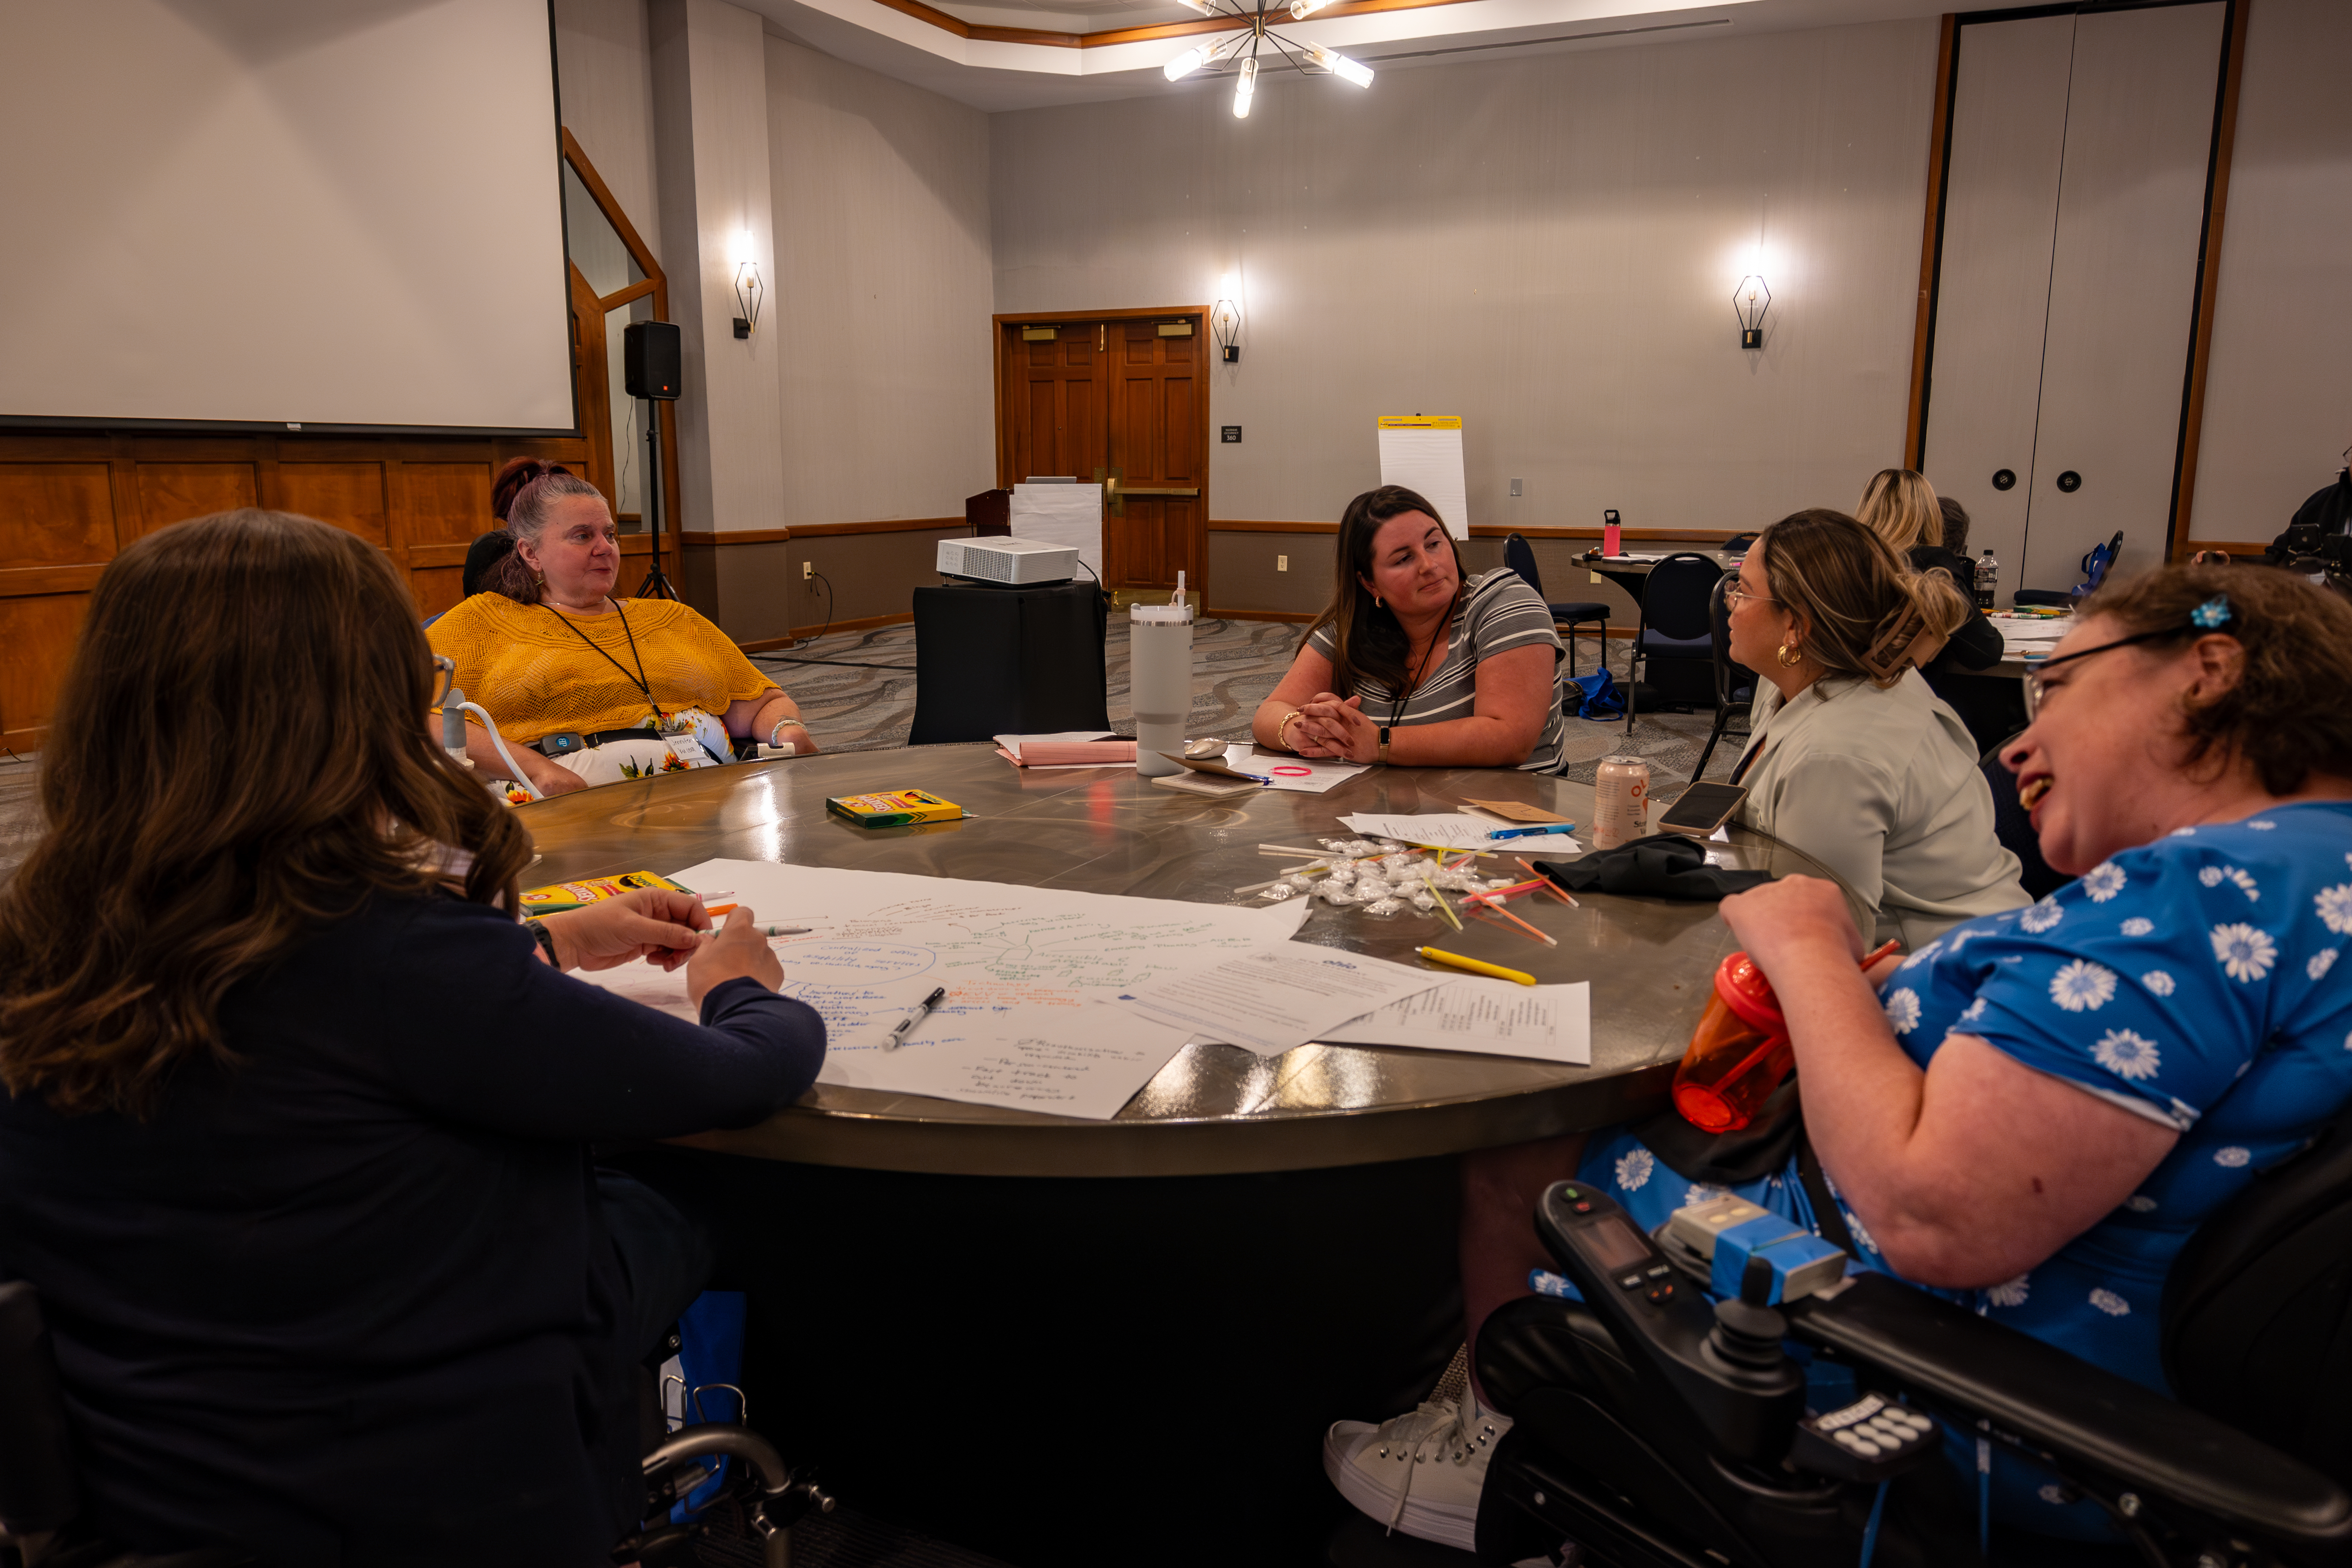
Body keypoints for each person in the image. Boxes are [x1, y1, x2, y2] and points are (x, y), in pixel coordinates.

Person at [1328, 562, 2352, 1551]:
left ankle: (1499, 1443)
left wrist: (1811, 950)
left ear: (2205, 671)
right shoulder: (2314, 867)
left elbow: (1933, 1214)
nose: (2016, 748)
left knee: (1524, 1139)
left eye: (2057, 689)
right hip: (2130, 1349)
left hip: (1936, 1368)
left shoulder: (2205, 890)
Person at [0, 509, 826, 1564]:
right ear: (367, 704)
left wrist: (546, 941)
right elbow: (740, 1074)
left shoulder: (48, 928)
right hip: (425, 1474)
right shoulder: (386, 946)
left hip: (153, 1467)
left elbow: (303, 1027)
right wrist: (737, 985)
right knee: (708, 1186)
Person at [1724, 509, 2028, 945]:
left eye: (1744, 592)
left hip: (1939, 978)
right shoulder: (1813, 685)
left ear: (1795, 626)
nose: (1730, 603)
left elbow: (1824, 943)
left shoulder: (1835, 755)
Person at [429, 458, 817, 797]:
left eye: (610, 534)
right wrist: (536, 769)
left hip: (711, 798)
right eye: (583, 536)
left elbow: (762, 701)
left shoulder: (672, 619)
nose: (605, 547)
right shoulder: (481, 622)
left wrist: (786, 729)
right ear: (531, 553)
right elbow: (407, 715)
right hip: (565, 808)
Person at [1251, 485, 1569, 770]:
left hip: (1508, 819)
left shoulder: (1504, 603)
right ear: (1369, 582)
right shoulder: (1349, 629)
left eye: (1433, 543)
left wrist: (1379, 743)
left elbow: (1508, 737)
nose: (1429, 565)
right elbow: (1268, 714)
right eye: (1403, 559)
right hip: (1392, 815)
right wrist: (1302, 729)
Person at [1855, 467, 2002, 673]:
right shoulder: (1932, 564)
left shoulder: (1841, 559)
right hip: (1902, 696)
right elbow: (1984, 652)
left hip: (1830, 697)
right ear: (1929, 514)